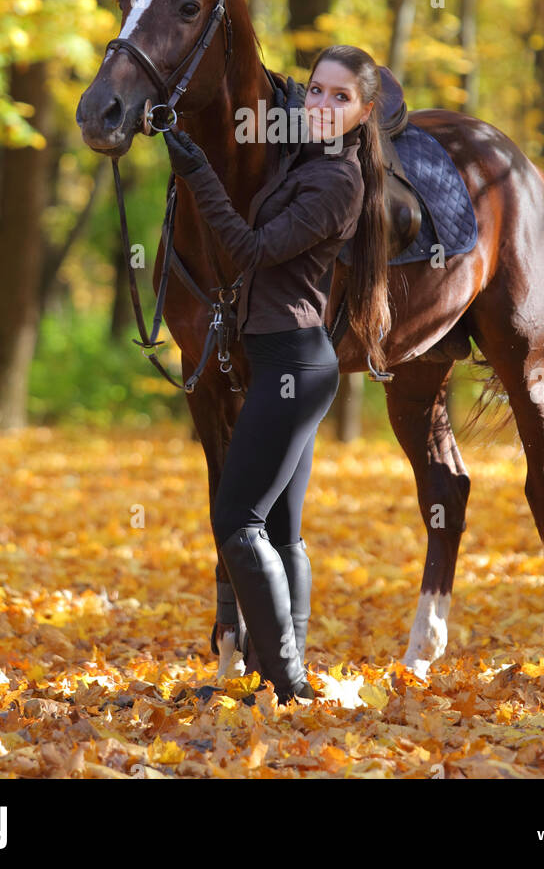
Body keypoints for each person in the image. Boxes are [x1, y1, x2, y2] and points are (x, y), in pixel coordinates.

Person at [162, 45, 392, 704]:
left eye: (338, 97)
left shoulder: (337, 182)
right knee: (282, 530)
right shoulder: (307, 159)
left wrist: (196, 173)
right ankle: (276, 679)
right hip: (286, 361)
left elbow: (251, 250)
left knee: (236, 518)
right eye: (315, 91)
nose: (319, 105)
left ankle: (287, 685)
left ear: (364, 113)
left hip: (294, 366)